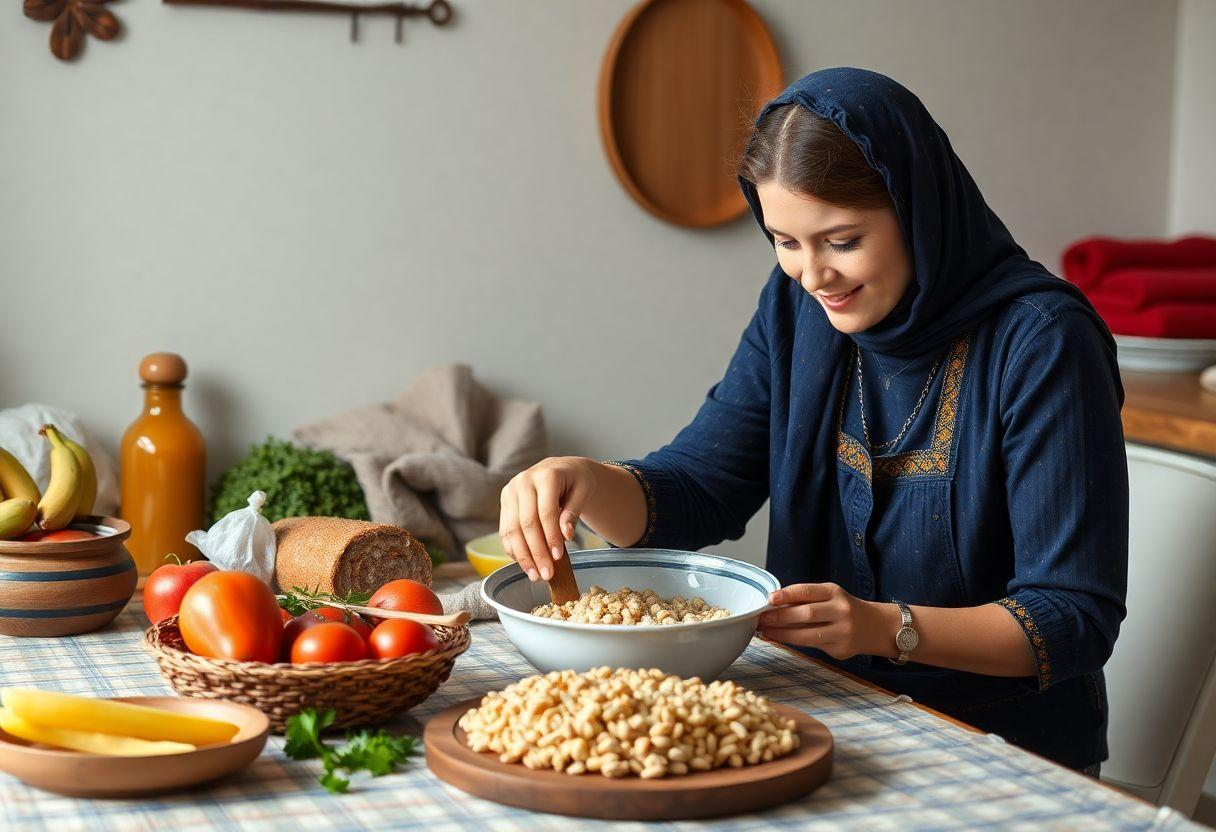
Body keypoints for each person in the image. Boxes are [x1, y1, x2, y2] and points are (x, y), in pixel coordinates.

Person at [497, 67, 1128, 773]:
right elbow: (701, 488)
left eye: (843, 240)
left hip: (1005, 752)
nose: (813, 274)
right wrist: (584, 479)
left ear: (917, 210)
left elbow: (1073, 618)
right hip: (824, 720)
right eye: (785, 241)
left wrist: (883, 627)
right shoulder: (799, 308)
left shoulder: (1044, 341)